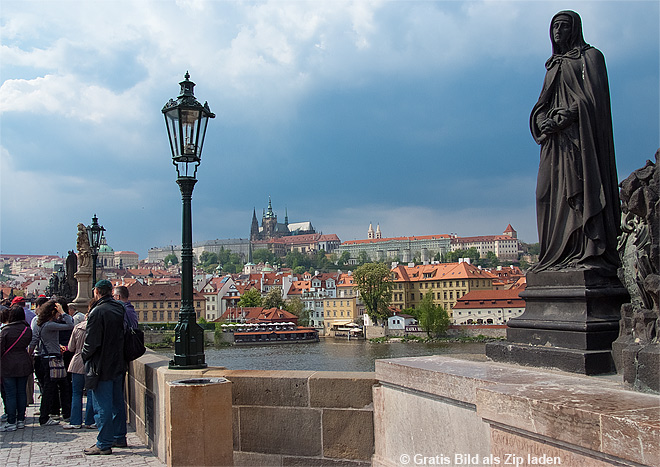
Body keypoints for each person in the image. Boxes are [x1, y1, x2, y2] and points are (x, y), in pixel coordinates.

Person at [530, 10, 621, 274]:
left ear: (575, 29)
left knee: (581, 195)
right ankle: (553, 257)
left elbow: (597, 103)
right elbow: (541, 104)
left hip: (581, 144)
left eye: (564, 26)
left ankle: (588, 250)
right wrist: (542, 119)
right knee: (543, 195)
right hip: (554, 144)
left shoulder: (590, 58)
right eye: (554, 26)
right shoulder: (553, 65)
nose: (558, 31)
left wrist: (570, 115)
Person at [82, 280, 126, 455]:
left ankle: (103, 443)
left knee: (102, 405)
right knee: (117, 403)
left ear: (97, 292)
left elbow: (91, 343)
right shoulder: (119, 308)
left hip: (101, 365)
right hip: (118, 362)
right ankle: (119, 437)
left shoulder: (97, 312)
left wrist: (84, 356)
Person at [29, 299, 73, 426]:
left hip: (46, 357)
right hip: (52, 358)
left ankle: (61, 413)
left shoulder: (42, 324)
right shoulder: (49, 325)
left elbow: (34, 341)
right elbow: (70, 325)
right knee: (54, 387)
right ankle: (47, 416)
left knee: (55, 387)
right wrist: (64, 312)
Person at [62, 299, 97, 430]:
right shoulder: (97, 328)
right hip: (92, 362)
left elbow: (70, 348)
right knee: (91, 392)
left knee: (76, 393)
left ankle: (75, 421)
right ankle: (89, 420)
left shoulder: (78, 327)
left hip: (77, 362)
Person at [0, 305, 33, 431]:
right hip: (23, 361)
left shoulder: (6, 330)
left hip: (9, 364)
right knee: (21, 392)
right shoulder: (27, 329)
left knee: (10, 394)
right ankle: (21, 419)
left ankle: (11, 420)